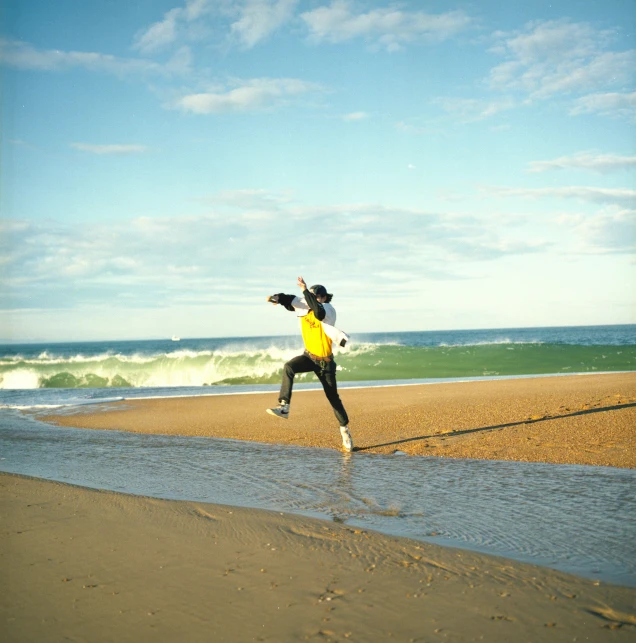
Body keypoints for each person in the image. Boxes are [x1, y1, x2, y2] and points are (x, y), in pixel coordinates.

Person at [266, 276, 353, 452]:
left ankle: (345, 431)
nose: (310, 301)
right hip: (309, 357)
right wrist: (276, 298)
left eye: (315, 297)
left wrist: (306, 290)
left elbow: (318, 312)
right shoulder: (304, 309)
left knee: (333, 398)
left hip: (325, 363)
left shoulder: (328, 310)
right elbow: (291, 301)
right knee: (289, 367)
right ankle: (284, 407)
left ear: (323, 298)